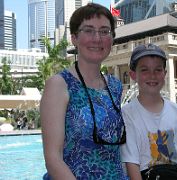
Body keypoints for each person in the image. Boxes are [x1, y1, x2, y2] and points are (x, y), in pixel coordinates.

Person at [40, 3, 126, 180]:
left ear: (112, 38)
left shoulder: (115, 87)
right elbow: (53, 159)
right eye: (88, 30)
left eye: (104, 31)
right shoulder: (59, 84)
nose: (97, 38)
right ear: (74, 38)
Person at [120, 43, 177, 180]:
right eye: (144, 70)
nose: (152, 75)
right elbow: (132, 165)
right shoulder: (127, 114)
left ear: (164, 74)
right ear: (133, 75)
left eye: (158, 70)